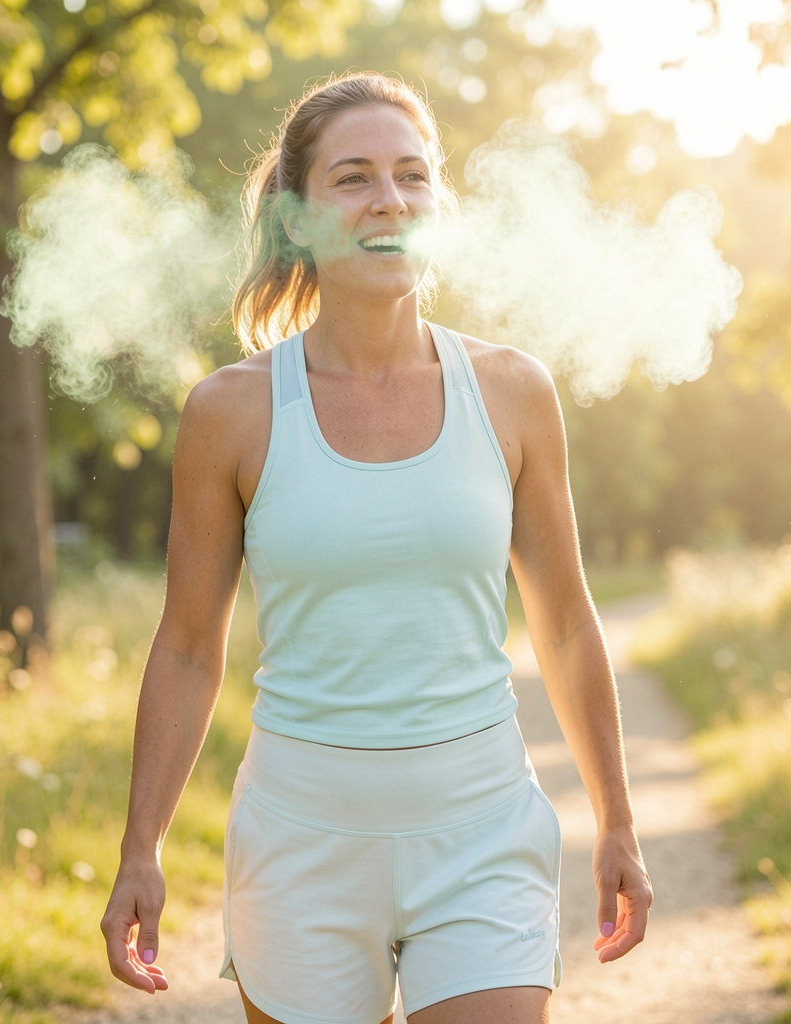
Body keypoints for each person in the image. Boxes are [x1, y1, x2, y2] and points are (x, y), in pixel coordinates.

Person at [100, 71, 652, 1024]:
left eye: (412, 175)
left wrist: (619, 823)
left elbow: (564, 623)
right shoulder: (230, 413)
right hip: (301, 840)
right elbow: (189, 645)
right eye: (352, 178)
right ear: (297, 220)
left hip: (481, 828)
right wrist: (140, 846)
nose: (389, 199)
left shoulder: (514, 391)